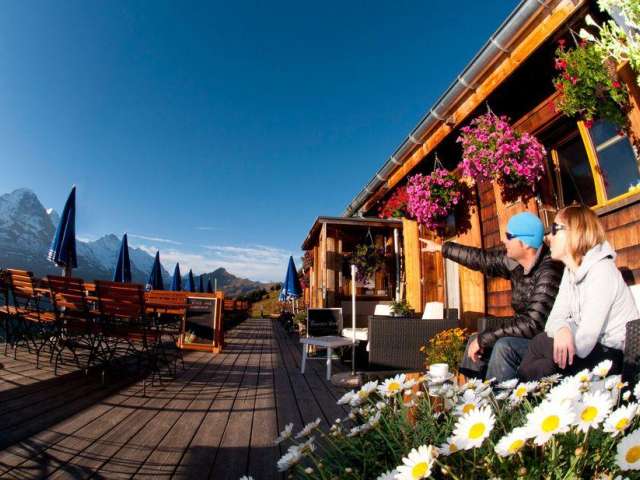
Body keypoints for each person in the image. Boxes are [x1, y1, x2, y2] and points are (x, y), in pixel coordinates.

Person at [421, 211, 563, 382]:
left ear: (525, 243)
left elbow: (533, 324)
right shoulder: (517, 263)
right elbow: (483, 259)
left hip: (546, 342)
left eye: (509, 236)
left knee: (503, 346)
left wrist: (486, 338)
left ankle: (497, 397)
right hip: (525, 334)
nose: (503, 240)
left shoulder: (549, 272)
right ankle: (474, 392)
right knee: (475, 339)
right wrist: (443, 248)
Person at [518, 205, 639, 380]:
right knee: (541, 355)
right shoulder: (570, 272)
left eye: (555, 229)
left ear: (575, 231)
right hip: (592, 352)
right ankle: (522, 387)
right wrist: (562, 328)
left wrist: (564, 329)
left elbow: (584, 344)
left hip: (616, 358)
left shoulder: (602, 271)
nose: (548, 237)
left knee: (541, 349)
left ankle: (519, 388)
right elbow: (553, 319)